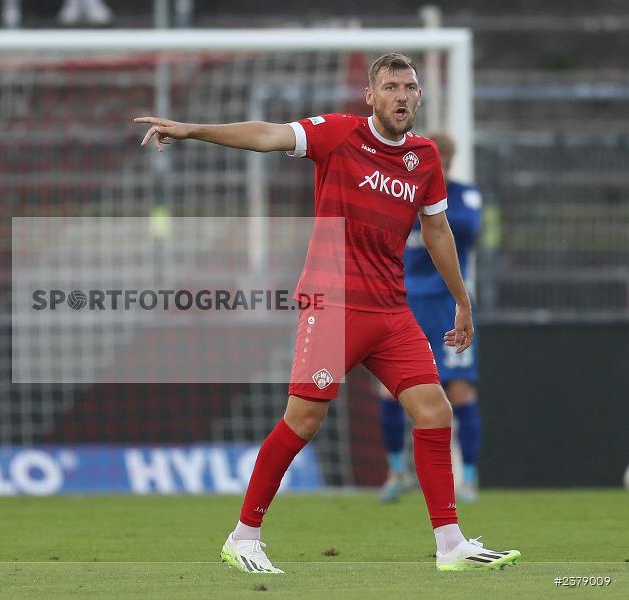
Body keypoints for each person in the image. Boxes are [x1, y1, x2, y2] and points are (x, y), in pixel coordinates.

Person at [135, 53, 520, 574]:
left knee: (434, 411)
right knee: (303, 419)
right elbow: (268, 135)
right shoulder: (339, 134)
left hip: (391, 309)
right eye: (391, 87)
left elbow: (436, 231)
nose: (402, 96)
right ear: (371, 96)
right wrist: (192, 130)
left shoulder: (424, 157)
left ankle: (450, 544)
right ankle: (243, 537)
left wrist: (462, 300)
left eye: (410, 87)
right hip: (332, 304)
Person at [378, 132, 483, 504]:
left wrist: (427, 210)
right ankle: (396, 472)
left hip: (447, 305)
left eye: (445, 161)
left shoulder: (464, 195)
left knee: (460, 390)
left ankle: (468, 479)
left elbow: (466, 226)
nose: (440, 167)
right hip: (404, 302)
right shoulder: (399, 192)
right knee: (389, 391)